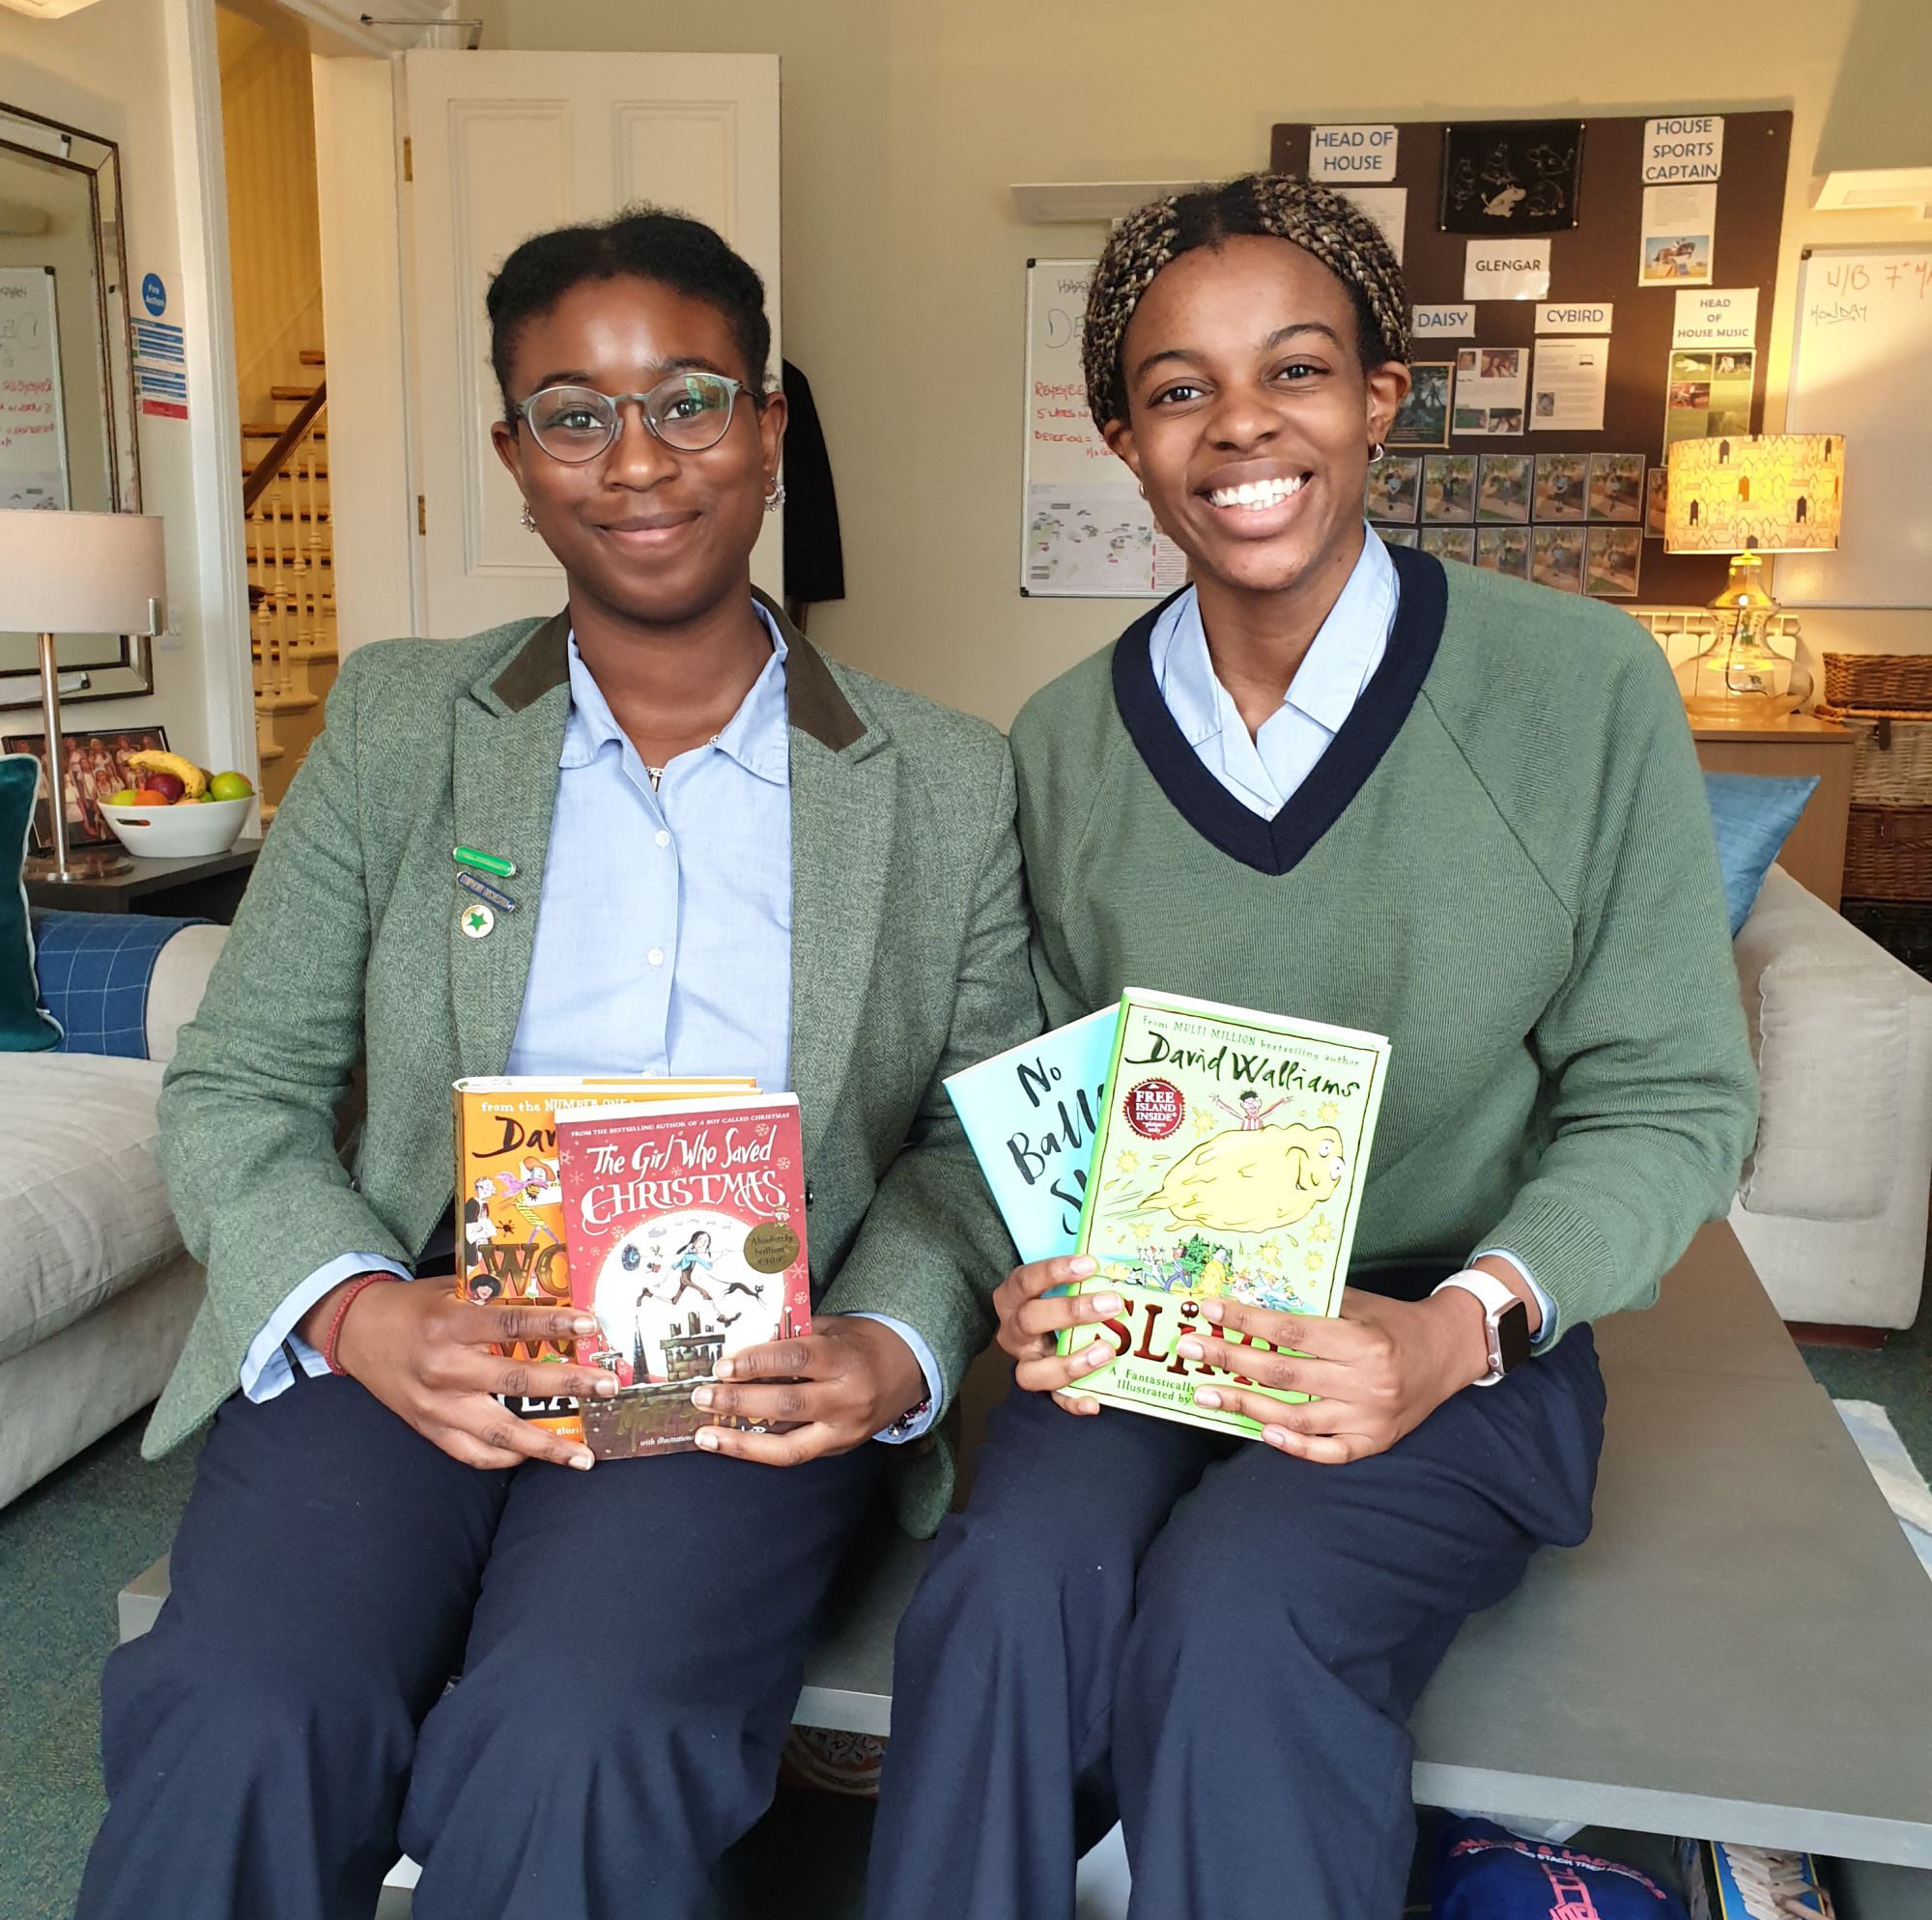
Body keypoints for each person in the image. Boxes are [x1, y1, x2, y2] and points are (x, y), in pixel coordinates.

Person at [78, 208, 1037, 1920]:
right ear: (515, 460)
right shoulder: (398, 726)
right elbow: (238, 1083)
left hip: (739, 1361)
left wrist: (889, 1347)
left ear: (765, 428)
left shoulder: (945, 782)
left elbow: (976, 1135)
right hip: (423, 1320)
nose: (637, 459)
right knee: (242, 1711)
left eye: (688, 399)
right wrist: (363, 1314)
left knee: (583, 1733)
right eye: (572, 414)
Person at [867, 174, 1756, 1920]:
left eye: (1297, 370)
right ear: (1124, 437)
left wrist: (1458, 1331)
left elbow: (1674, 1098)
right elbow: (1040, 1102)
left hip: (1450, 1326)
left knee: (1239, 1615)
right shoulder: (1063, 746)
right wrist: (1032, 1266)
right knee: (1004, 1590)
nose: (1241, 428)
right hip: (1160, 1314)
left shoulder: (1578, 689)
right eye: (1180, 389)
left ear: (1380, 401)